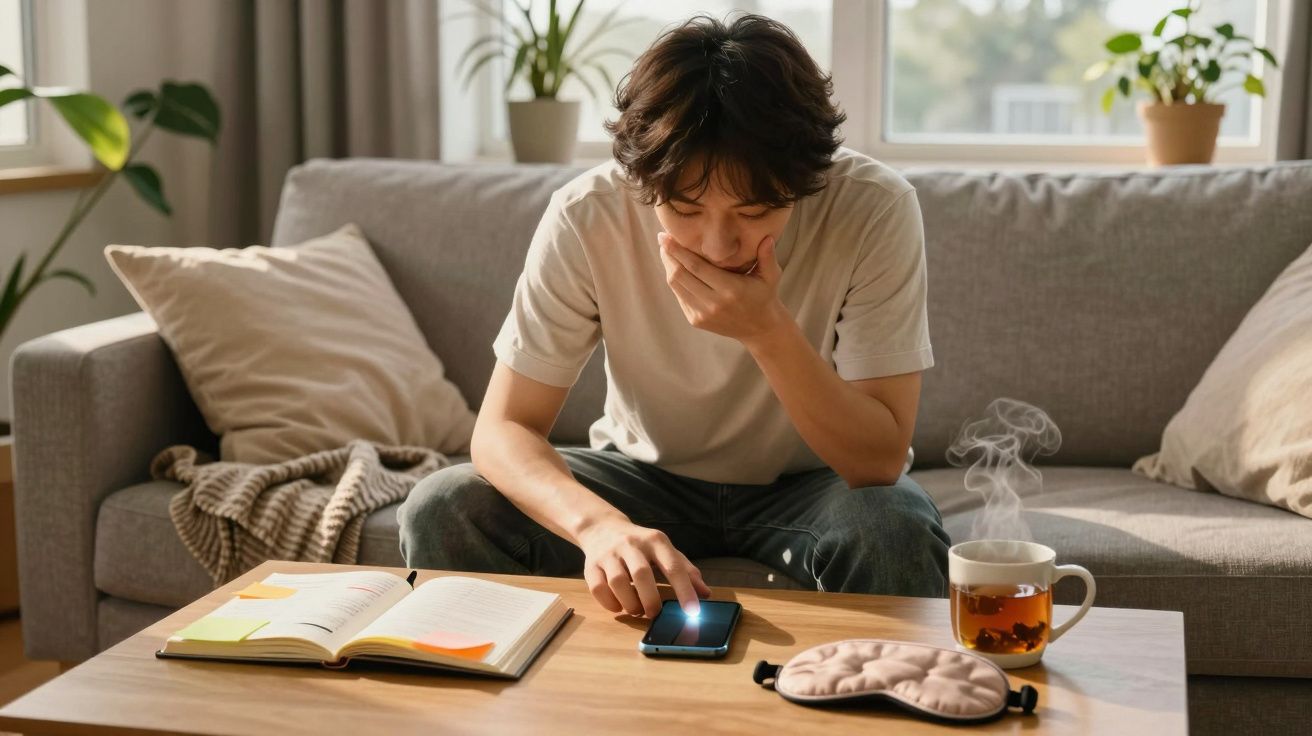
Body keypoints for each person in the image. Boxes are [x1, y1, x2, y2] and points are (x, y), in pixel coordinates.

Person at [399, 12, 950, 620]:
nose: (718, 246)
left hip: (815, 487)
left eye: (755, 210)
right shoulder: (589, 213)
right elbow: (502, 430)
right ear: (643, 180)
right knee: (444, 504)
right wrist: (598, 527)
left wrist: (766, 330)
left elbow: (876, 459)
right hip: (641, 476)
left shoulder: (874, 206)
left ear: (805, 181)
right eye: (686, 210)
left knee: (893, 525)